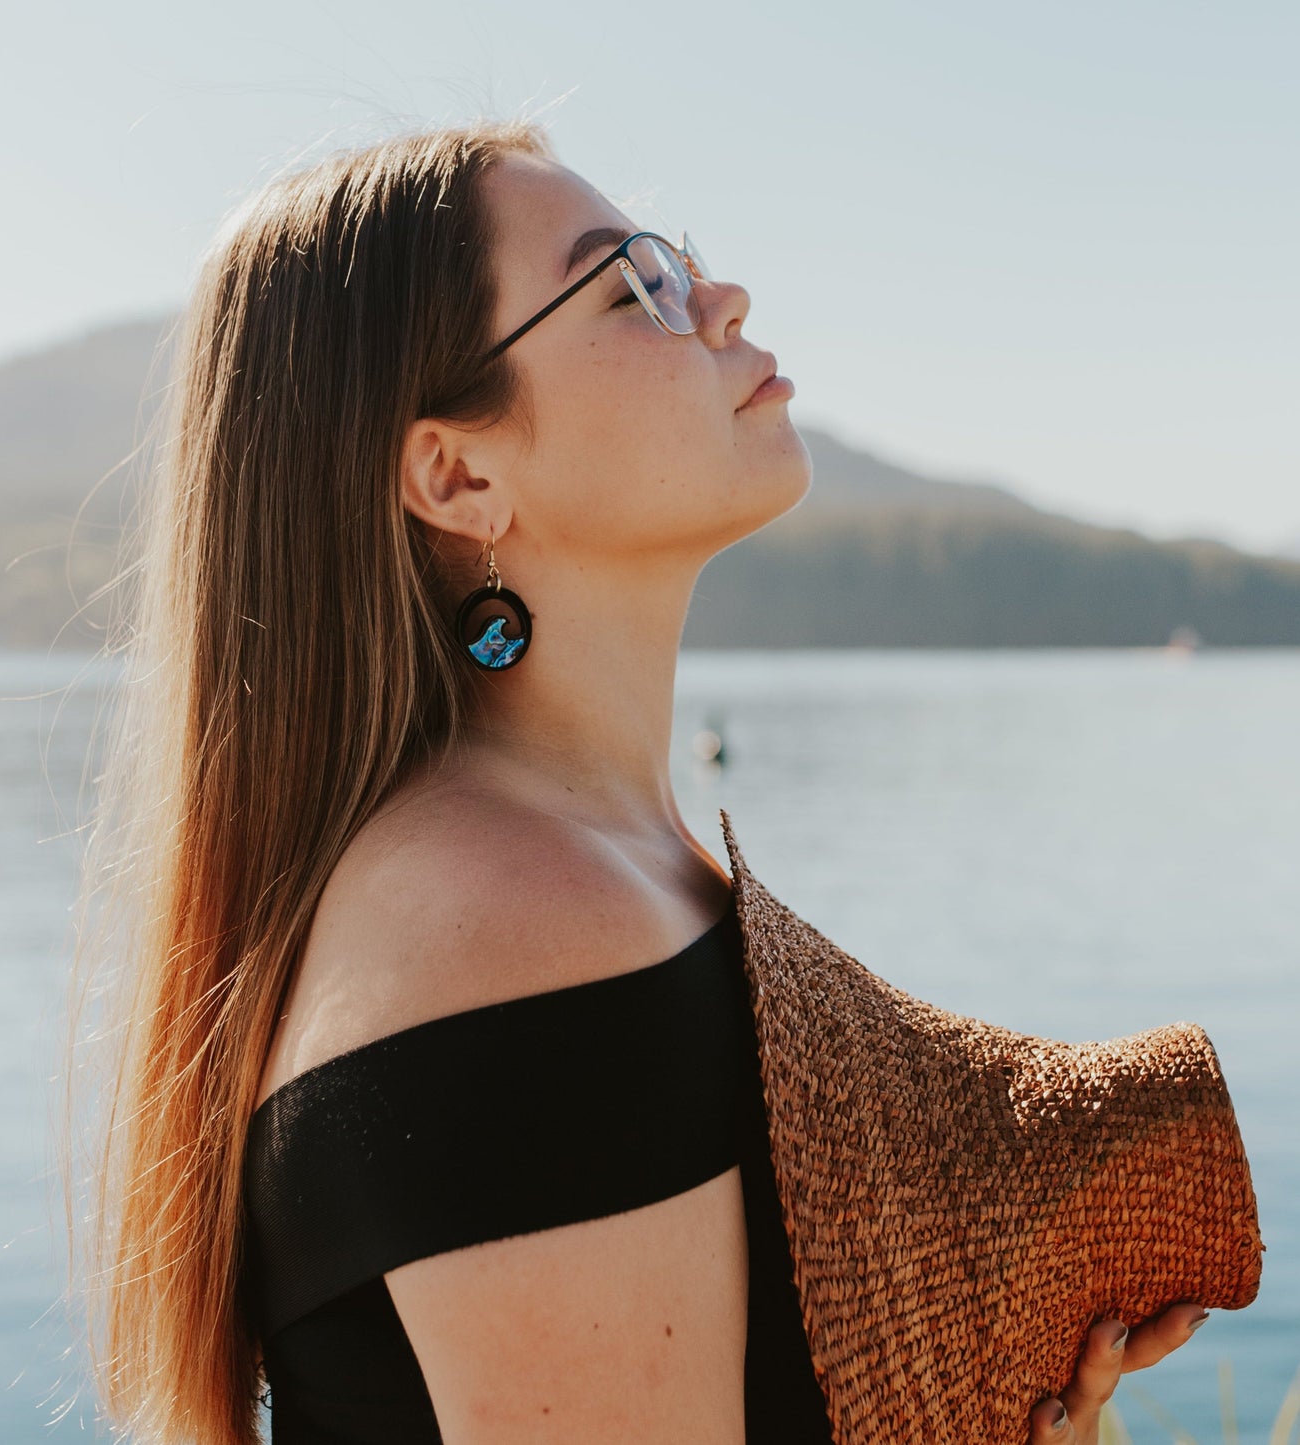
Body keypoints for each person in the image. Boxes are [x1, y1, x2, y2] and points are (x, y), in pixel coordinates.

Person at [64, 117, 1209, 1445]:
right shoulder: (508, 917)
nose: (719, 300)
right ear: (458, 470)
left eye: (681, 265)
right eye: (631, 285)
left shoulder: (596, 863)